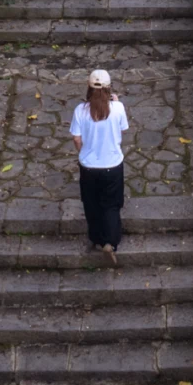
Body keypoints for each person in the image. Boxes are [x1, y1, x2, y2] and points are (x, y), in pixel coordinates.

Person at [69, 68, 129, 266]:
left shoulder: (80, 111)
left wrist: (83, 152)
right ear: (109, 88)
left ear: (88, 88)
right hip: (112, 165)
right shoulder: (118, 108)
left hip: (89, 167)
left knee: (91, 203)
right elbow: (123, 130)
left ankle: (96, 238)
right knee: (111, 204)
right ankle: (110, 242)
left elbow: (77, 138)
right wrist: (117, 102)